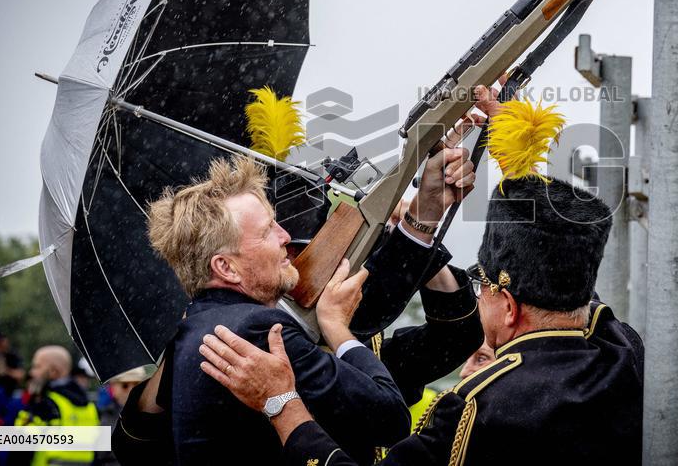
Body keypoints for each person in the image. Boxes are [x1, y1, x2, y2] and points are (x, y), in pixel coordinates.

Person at [199, 174, 646, 465]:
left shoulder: (473, 402)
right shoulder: (621, 345)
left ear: (508, 305)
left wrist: (416, 231)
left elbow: (454, 335)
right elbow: (562, 276)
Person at [116, 143, 477, 466]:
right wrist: (335, 324)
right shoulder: (260, 329)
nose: (285, 242)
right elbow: (390, 418)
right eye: (268, 233)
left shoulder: (208, 323)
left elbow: (453, 334)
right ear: (225, 267)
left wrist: (422, 214)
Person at [13, 346, 100, 466]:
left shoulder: (44, 405)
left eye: (37, 366)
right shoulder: (89, 406)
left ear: (54, 371)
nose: (32, 372)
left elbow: (20, 449)